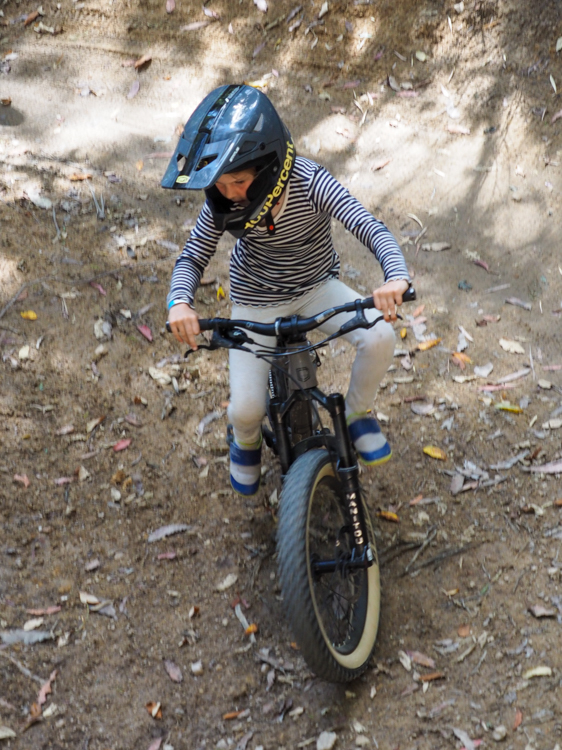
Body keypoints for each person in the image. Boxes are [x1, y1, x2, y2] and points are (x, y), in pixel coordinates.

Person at [162, 84, 410, 496]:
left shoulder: (311, 182)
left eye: (238, 182)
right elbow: (192, 257)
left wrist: (395, 277)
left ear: (269, 166)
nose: (229, 194)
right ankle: (245, 439)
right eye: (220, 185)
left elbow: (369, 226)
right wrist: (179, 302)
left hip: (317, 287)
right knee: (246, 409)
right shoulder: (224, 203)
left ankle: (356, 412)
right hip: (254, 301)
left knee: (381, 337)